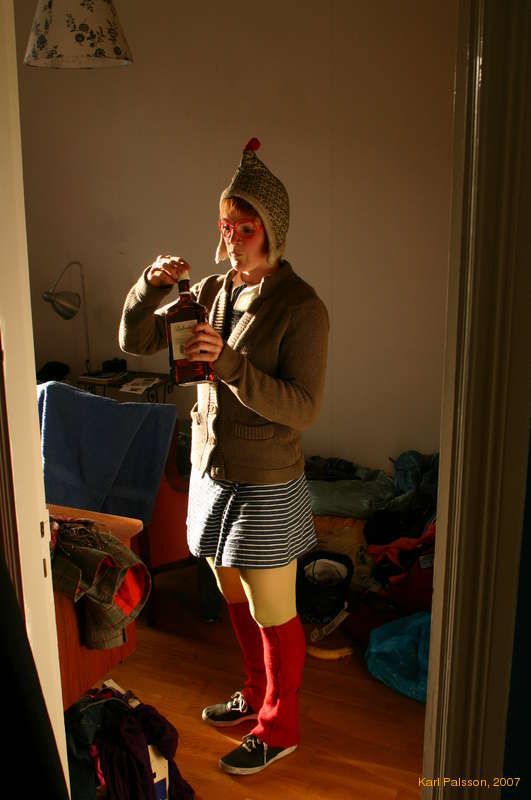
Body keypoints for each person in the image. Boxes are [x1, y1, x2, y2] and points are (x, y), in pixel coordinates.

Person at [118, 137, 329, 775]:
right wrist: (148, 286)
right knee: (229, 587)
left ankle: (280, 726)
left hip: (265, 479)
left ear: (272, 232)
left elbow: (302, 407)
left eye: (246, 227)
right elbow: (135, 340)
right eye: (226, 226)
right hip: (212, 468)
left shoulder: (302, 308)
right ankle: (256, 692)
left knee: (273, 608)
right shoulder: (211, 291)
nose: (233, 238)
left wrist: (230, 363)